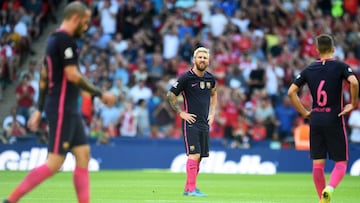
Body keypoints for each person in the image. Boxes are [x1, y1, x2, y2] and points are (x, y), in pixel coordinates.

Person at [3, 2, 116, 203]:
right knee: (55, 162)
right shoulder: (65, 40)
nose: (87, 26)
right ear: (75, 18)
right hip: (62, 106)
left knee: (83, 155)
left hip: (66, 107)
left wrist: (38, 109)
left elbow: (45, 77)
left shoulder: (52, 40)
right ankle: (11, 200)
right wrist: (100, 94)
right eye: (85, 22)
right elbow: (72, 75)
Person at [288, 34, 359, 203]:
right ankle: (330, 188)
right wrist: (353, 103)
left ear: (317, 50)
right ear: (333, 49)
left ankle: (322, 199)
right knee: (341, 163)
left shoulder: (309, 69)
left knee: (318, 165)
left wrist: (305, 112)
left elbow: (291, 92)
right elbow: (354, 82)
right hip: (334, 118)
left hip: (316, 118)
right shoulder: (340, 66)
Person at [167, 47, 217, 197]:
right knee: (194, 155)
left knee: (200, 157)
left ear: (208, 61)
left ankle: (189, 188)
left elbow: (214, 94)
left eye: (205, 58)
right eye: (200, 57)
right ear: (194, 60)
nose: (202, 60)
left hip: (204, 123)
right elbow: (170, 95)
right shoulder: (186, 78)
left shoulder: (210, 79)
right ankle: (191, 189)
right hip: (191, 122)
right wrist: (181, 113)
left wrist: (213, 113)